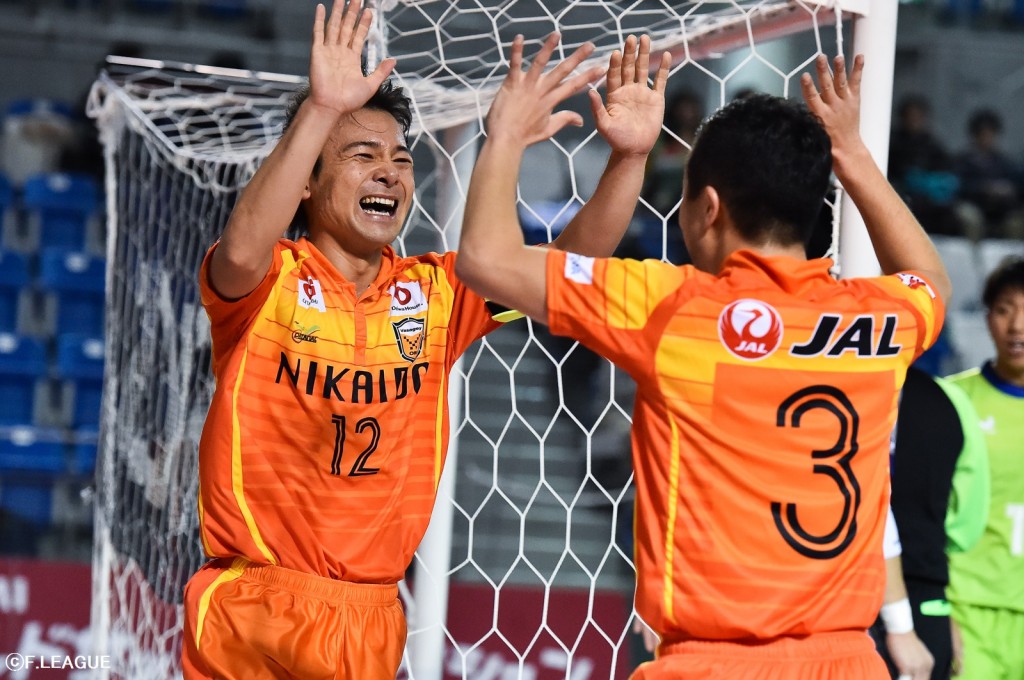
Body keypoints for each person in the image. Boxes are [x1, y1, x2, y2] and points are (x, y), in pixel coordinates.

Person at [180, 0, 672, 676]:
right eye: (363, 155)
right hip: (255, 603)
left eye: (402, 158)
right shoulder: (270, 281)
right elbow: (239, 249)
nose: (390, 171)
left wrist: (630, 159)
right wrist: (321, 109)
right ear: (307, 184)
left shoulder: (437, 292)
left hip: (373, 616)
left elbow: (570, 267)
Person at [457, 49, 951, 678]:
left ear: (706, 207)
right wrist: (850, 153)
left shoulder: (673, 308)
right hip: (848, 661)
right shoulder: (881, 318)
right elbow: (931, 279)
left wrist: (507, 135)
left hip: (714, 662)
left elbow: (486, 259)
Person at [872, 366, 990, 680]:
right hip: (926, 600)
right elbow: (967, 524)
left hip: (850, 598)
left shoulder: (837, 388)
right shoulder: (949, 397)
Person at [945, 255, 1024, 679]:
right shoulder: (950, 402)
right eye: (1005, 310)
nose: (1017, 327)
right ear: (987, 317)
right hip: (968, 611)